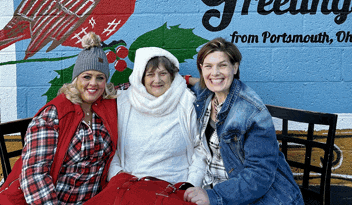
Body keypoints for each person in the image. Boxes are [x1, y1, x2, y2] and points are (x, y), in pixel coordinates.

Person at [184, 37, 304, 205]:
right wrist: (184, 78)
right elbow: (200, 84)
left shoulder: (251, 111)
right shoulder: (206, 95)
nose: (215, 72)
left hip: (261, 198)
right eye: (208, 66)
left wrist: (213, 196)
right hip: (219, 188)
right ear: (201, 69)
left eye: (222, 65)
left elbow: (259, 176)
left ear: (235, 67)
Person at [19, 32, 118, 205]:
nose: (93, 83)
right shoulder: (54, 115)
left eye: (100, 78)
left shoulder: (106, 108)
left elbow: (143, 87)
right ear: (76, 79)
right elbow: (35, 174)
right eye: (87, 76)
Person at [108, 46, 206, 187]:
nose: (157, 80)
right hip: (132, 187)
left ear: (172, 76)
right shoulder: (123, 102)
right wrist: (119, 177)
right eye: (150, 74)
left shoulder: (186, 101)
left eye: (163, 73)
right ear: (141, 78)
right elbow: (111, 149)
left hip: (177, 188)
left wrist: (191, 184)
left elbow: (200, 148)